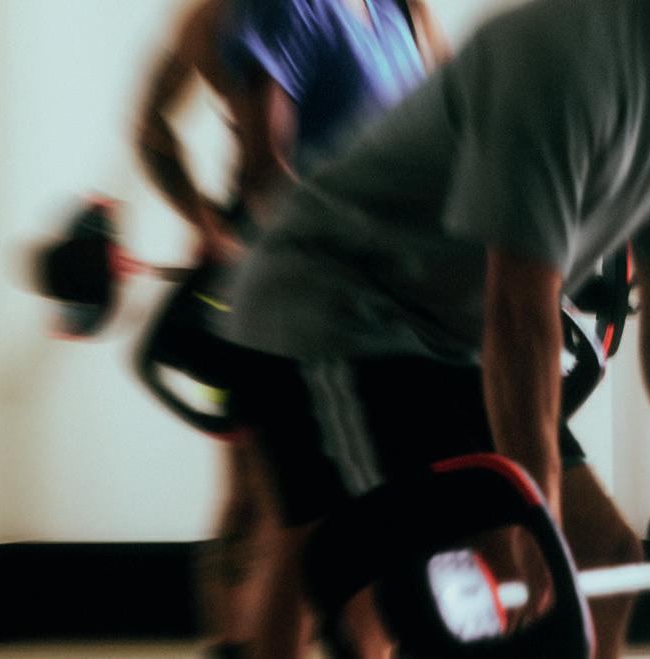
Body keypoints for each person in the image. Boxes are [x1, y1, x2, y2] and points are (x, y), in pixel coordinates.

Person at [221, 0, 650, 656]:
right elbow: (519, 310)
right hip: (335, 309)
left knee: (603, 553)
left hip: (449, 342)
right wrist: (531, 517)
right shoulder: (561, 52)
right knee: (395, 590)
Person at [132, 0, 444, 656]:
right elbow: (155, 130)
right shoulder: (226, 14)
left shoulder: (404, 11)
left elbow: (452, 117)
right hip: (277, 289)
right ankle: (236, 641)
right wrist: (209, 227)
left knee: (324, 508)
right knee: (264, 498)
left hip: (381, 294)